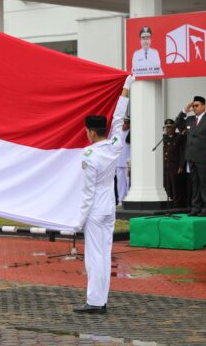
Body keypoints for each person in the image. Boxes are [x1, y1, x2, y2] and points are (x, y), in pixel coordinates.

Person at [73, 75, 133, 314]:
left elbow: (87, 195)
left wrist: (78, 221)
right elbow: (118, 118)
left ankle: (95, 302)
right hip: (109, 205)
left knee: (94, 257)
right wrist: (126, 87)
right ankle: (100, 298)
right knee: (104, 254)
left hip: (96, 209)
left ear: (90, 132)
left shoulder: (89, 156)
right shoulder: (115, 144)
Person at [174, 96, 206, 216]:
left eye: (197, 105)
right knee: (194, 183)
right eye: (193, 106)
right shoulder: (189, 119)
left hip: (204, 157)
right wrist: (184, 110)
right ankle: (196, 207)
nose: (194, 108)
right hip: (191, 157)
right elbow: (177, 124)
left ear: (204, 106)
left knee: (205, 183)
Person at [162, 119, 185, 208]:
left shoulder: (179, 137)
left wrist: (181, 166)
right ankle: (170, 203)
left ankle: (176, 205)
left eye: (170, 127)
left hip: (175, 166)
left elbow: (181, 153)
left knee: (175, 186)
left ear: (174, 128)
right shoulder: (163, 138)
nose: (168, 129)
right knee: (166, 185)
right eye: (166, 127)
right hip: (165, 165)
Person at [115, 117, 130, 204]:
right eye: (123, 123)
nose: (124, 125)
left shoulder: (131, 132)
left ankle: (128, 200)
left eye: (126, 123)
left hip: (128, 162)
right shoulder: (118, 134)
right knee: (120, 184)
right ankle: (120, 201)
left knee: (128, 183)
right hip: (119, 162)